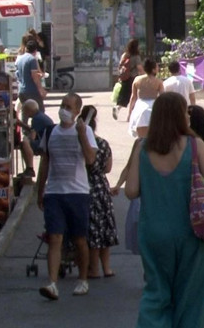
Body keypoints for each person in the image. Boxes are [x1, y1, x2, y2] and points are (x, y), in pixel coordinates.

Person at [125, 92, 204, 327]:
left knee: (156, 292)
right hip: (193, 231)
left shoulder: (142, 146)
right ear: (180, 115)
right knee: (191, 296)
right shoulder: (194, 145)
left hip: (154, 232)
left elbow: (131, 190)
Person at [36, 92, 98, 300]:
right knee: (54, 237)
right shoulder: (50, 131)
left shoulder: (86, 131)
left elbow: (90, 159)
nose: (64, 109)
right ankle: (52, 283)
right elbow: (45, 162)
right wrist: (40, 189)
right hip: (55, 192)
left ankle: (83, 279)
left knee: (80, 239)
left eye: (69, 107)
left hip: (78, 193)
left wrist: (81, 134)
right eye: (63, 105)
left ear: (78, 111)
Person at [79, 105, 118, 280]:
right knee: (105, 227)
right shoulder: (103, 143)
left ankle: (93, 269)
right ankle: (107, 267)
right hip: (102, 186)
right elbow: (108, 168)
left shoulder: (80, 142)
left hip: (84, 185)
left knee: (92, 230)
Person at [127, 58, 164, 138]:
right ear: (153, 70)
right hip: (154, 106)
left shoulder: (137, 79)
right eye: (157, 67)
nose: (158, 69)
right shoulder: (158, 81)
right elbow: (162, 97)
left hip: (140, 106)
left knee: (140, 136)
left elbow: (133, 97)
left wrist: (130, 112)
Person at [17, 99, 54, 178]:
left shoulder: (36, 119)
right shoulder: (40, 115)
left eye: (24, 111)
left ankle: (30, 168)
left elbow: (32, 137)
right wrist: (22, 125)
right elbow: (33, 130)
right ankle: (29, 168)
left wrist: (27, 138)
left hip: (45, 144)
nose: (24, 113)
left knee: (25, 142)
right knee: (25, 142)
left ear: (29, 110)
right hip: (48, 141)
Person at [113, 38, 143, 120]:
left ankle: (117, 107)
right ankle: (131, 115)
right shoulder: (136, 56)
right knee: (134, 96)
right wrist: (145, 75)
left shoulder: (125, 55)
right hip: (133, 78)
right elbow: (139, 67)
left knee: (124, 95)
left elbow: (120, 66)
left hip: (125, 77)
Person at [16, 39, 46, 112]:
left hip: (21, 90)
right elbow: (34, 76)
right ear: (35, 51)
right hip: (31, 91)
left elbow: (18, 74)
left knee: (25, 112)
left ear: (26, 48)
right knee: (40, 111)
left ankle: (23, 123)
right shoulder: (32, 59)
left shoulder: (20, 59)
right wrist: (41, 90)